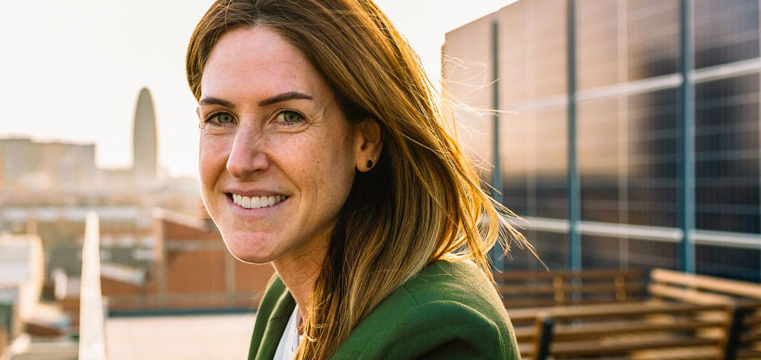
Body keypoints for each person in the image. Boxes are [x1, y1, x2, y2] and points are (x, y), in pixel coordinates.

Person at [186, 0, 530, 359]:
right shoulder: (286, 303)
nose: (240, 162)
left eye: (287, 116)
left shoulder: (440, 335)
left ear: (365, 141)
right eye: (220, 117)